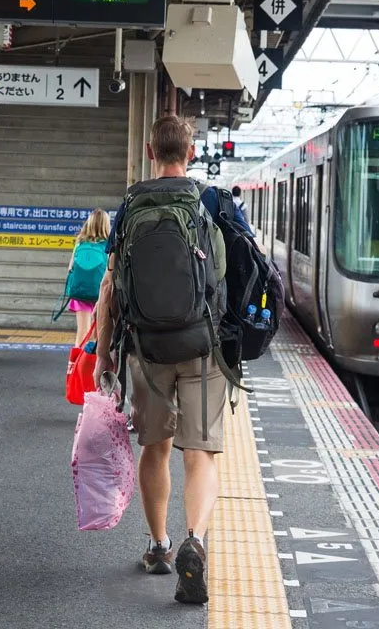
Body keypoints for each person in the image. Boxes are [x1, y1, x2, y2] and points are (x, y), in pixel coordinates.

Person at [94, 116, 245, 605]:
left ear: (149, 150)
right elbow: (239, 274)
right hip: (204, 348)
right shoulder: (213, 202)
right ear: (192, 153)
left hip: (147, 349)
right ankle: (195, 540)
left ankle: (159, 546)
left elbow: (109, 290)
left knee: (154, 448)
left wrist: (103, 357)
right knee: (200, 454)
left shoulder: (131, 204)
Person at [66, 209, 110, 346]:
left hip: (81, 294)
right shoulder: (109, 245)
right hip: (101, 295)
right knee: (99, 335)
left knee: (82, 333)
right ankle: (95, 365)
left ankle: (74, 365)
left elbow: (70, 268)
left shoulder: (80, 243)